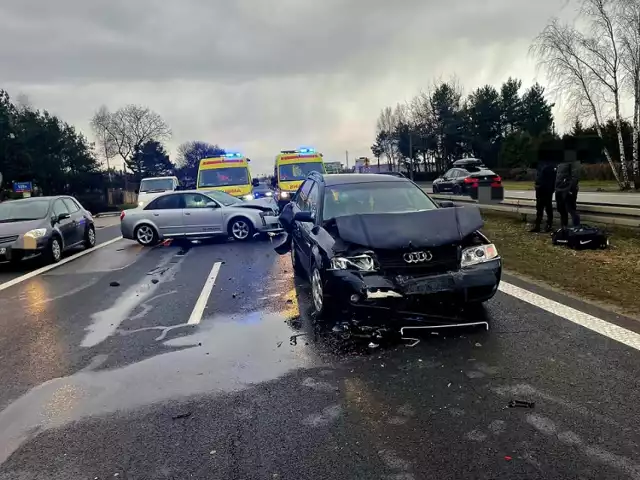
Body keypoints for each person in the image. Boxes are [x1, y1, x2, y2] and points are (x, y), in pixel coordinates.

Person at [555, 150, 581, 228]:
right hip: (559, 189)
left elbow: (575, 176)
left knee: (571, 210)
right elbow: (558, 176)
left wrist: (571, 189)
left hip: (568, 190)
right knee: (561, 210)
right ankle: (564, 228)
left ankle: (577, 229)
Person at [530, 159, 557, 232]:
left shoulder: (551, 164)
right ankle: (537, 225)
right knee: (539, 207)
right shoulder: (540, 164)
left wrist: (552, 188)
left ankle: (549, 225)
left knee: (548, 207)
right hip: (540, 188)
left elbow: (553, 178)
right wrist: (537, 185)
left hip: (547, 188)